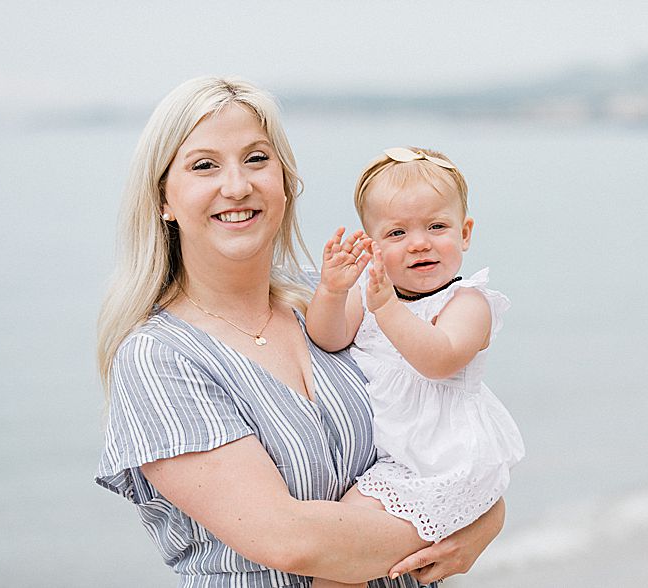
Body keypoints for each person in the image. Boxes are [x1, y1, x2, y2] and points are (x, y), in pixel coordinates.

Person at [94, 77, 502, 587]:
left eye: (256, 159)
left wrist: (486, 514)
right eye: (204, 166)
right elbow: (291, 541)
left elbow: (450, 435)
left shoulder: (339, 297)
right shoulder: (158, 358)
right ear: (164, 199)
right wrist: (465, 518)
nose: (236, 186)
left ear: (285, 182)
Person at [304, 147, 524, 587]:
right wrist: (332, 290)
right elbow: (329, 337)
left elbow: (438, 360)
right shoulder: (370, 295)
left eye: (436, 227)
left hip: (443, 460)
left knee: (336, 554)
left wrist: (387, 309)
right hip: (400, 459)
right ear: (372, 246)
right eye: (397, 232)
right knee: (341, 561)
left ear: (465, 233)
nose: (419, 243)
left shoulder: (468, 302)